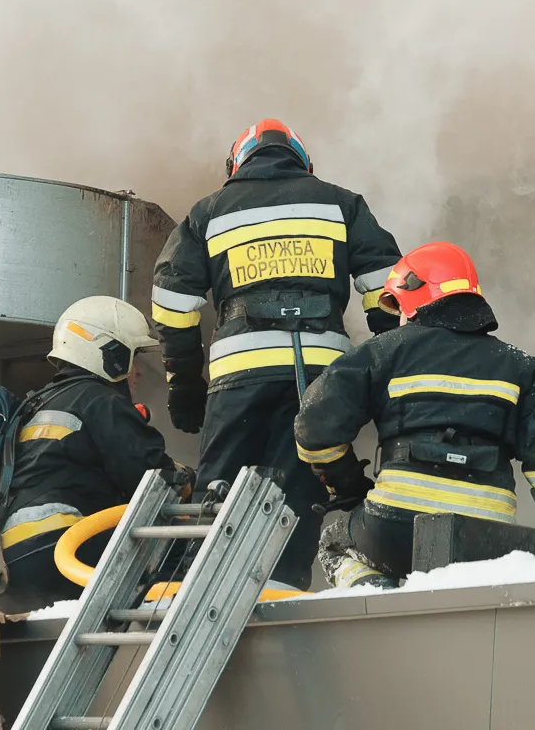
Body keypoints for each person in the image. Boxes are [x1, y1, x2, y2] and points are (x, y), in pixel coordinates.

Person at [293, 241, 535, 589]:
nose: (399, 317)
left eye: (399, 306)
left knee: (335, 544)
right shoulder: (519, 365)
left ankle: (384, 605)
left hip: (397, 524)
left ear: (415, 295)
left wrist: (347, 483)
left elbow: (314, 428)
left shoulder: (384, 352)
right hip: (489, 538)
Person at [151, 119, 402, 589]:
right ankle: (281, 592)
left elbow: (174, 302)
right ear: (304, 162)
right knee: (298, 491)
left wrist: (183, 382)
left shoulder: (208, 212)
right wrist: (382, 360)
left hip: (237, 380)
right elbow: (386, 283)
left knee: (219, 492)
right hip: (320, 378)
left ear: (236, 164)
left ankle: (202, 588)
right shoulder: (342, 204)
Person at [0, 296, 183, 614]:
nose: (137, 372)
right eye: (131, 357)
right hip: (61, 544)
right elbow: (150, 477)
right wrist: (185, 478)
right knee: (183, 549)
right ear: (108, 354)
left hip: (11, 563)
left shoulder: (36, 404)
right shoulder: (100, 401)